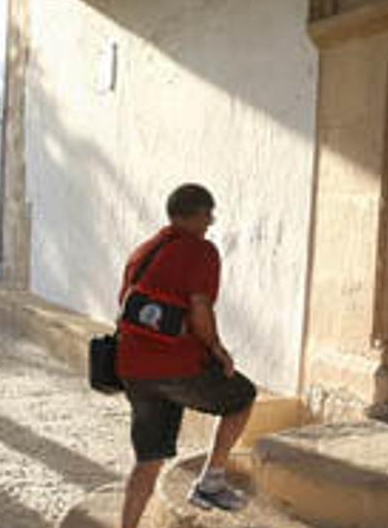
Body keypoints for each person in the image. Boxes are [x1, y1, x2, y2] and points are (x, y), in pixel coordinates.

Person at [118, 184, 256, 528]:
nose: (210, 222)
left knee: (149, 460)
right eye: (208, 215)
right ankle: (211, 481)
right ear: (197, 214)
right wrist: (217, 348)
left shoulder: (143, 251)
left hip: (134, 368)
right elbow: (200, 308)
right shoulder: (200, 250)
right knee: (241, 396)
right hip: (177, 365)